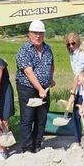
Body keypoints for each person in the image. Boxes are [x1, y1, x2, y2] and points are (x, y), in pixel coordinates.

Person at [16, 20, 54, 153]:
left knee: (41, 118)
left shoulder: (48, 49)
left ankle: (37, 145)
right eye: (35, 33)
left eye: (40, 33)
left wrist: (50, 79)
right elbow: (28, 71)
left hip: (44, 88)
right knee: (28, 118)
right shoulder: (24, 50)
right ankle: (27, 148)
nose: (38, 36)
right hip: (27, 88)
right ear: (29, 34)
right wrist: (39, 89)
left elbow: (51, 65)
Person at [66, 32, 84, 144]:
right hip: (80, 88)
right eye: (68, 44)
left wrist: (72, 94)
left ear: (78, 42)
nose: (71, 46)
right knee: (76, 116)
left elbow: (78, 76)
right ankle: (77, 141)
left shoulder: (82, 54)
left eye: (73, 43)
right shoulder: (73, 54)